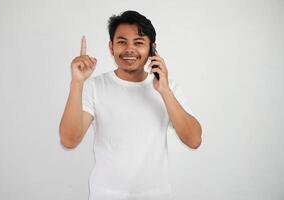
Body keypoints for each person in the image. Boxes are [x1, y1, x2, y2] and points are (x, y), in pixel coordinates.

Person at [59, 10, 202, 200]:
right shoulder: (94, 87)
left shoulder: (168, 88)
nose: (129, 49)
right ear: (111, 47)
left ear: (152, 48)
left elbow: (194, 140)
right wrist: (77, 82)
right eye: (121, 42)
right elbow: (69, 140)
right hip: (106, 195)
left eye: (139, 42)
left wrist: (165, 91)